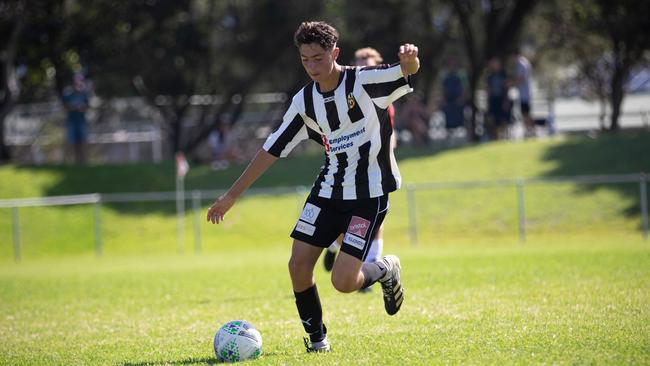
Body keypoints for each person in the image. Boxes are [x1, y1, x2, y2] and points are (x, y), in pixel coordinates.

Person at [207, 21, 419, 352]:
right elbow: (271, 149)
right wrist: (231, 195)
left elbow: (406, 72)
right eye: (305, 60)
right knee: (298, 265)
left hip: (368, 195)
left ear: (335, 53)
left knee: (343, 282)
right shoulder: (305, 100)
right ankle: (318, 341)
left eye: (318, 58)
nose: (312, 66)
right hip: (327, 192)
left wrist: (409, 60)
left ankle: (385, 267)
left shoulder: (365, 81)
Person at [321, 47, 394, 292]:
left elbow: (387, 132)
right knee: (345, 221)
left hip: (374, 170)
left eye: (370, 62)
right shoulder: (348, 90)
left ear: (379, 64)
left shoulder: (384, 94)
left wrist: (385, 157)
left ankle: (369, 268)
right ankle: (335, 245)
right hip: (345, 169)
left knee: (375, 222)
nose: (366, 66)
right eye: (361, 62)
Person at [62, 73, 90, 163]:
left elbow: (87, 107)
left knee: (82, 142)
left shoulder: (84, 94)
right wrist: (73, 107)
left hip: (81, 121)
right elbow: (65, 106)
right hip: (71, 121)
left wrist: (81, 107)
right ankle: (72, 161)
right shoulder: (68, 93)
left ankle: (83, 161)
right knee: (72, 142)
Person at [486, 57, 511, 140]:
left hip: (502, 99)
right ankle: (496, 138)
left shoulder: (504, 74)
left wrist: (506, 100)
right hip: (493, 99)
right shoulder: (490, 76)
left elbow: (507, 88)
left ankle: (504, 137)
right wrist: (488, 101)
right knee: (495, 121)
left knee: (503, 120)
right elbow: (489, 89)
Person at [441, 58, 467, 130]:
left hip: (458, 100)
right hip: (449, 101)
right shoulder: (445, 75)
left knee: (459, 121)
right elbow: (443, 88)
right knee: (449, 121)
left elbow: (464, 87)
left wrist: (462, 98)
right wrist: (444, 99)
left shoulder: (461, 74)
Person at [513, 51, 534, 137]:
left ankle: (530, 131)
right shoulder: (524, 62)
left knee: (526, 113)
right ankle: (528, 130)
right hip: (524, 93)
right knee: (525, 113)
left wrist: (512, 83)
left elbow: (521, 79)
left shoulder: (521, 64)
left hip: (524, 94)